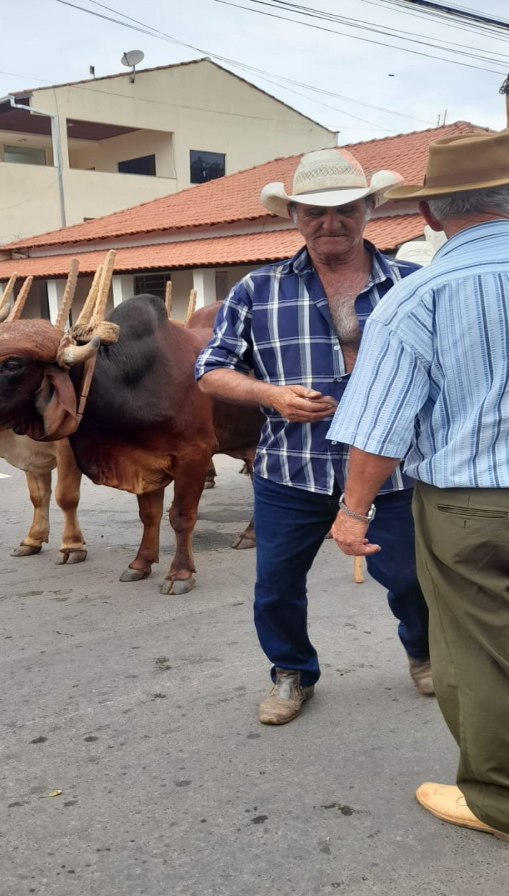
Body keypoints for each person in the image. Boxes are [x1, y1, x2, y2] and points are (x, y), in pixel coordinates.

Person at [195, 147, 431, 726]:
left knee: (408, 574)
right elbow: (210, 369)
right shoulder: (257, 289)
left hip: (396, 469)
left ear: (371, 207)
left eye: (346, 208)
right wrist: (269, 395)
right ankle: (291, 672)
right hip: (291, 468)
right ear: (293, 216)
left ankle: (423, 651)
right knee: (277, 584)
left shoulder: (413, 284)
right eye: (314, 212)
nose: (330, 223)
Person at [329, 129, 509, 841]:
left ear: (432, 216)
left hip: (469, 506)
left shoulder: (417, 297)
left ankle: (498, 800)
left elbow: (379, 427)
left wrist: (352, 513)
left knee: (476, 652)